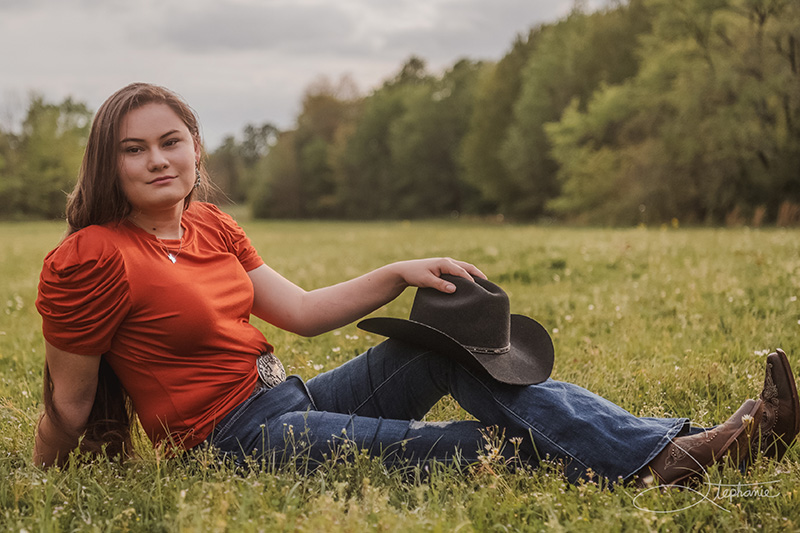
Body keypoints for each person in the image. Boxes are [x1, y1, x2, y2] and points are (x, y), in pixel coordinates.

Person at [33, 82, 799, 488]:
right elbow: (68, 403)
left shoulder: (211, 228)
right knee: (470, 450)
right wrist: (41, 487)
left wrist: (399, 272)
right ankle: (681, 456)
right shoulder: (93, 257)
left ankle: (673, 448)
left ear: (197, 149)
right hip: (232, 443)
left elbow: (299, 312)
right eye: (136, 150)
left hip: (288, 399)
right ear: (111, 164)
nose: (159, 159)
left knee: (455, 349)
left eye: (172, 141)